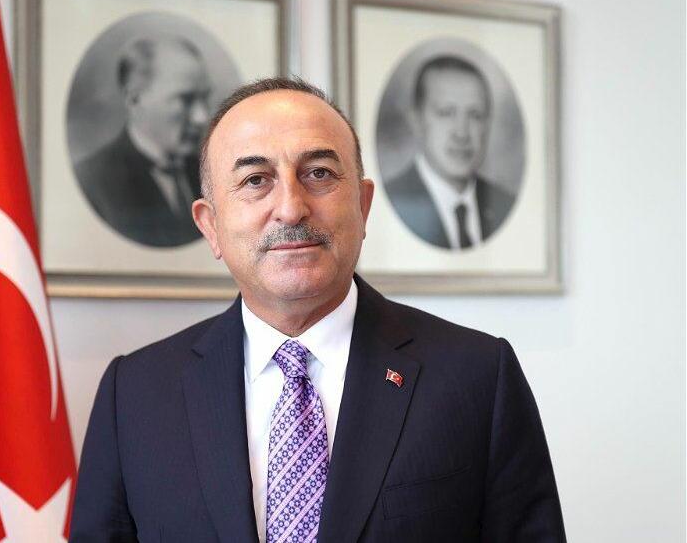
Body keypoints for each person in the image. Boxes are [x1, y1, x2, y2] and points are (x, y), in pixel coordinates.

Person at [70, 78, 565, 542]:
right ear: (210, 226)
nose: (291, 207)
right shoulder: (132, 394)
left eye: (319, 174)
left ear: (363, 206)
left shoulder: (479, 377)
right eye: (255, 179)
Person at [74, 36, 210, 247]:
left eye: (205, 98)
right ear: (134, 99)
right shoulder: (94, 181)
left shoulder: (209, 173)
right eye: (185, 99)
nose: (202, 117)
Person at [385, 56, 516, 250]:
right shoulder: (394, 201)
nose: (462, 133)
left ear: (487, 124)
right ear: (416, 120)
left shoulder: (505, 204)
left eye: (475, 115)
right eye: (446, 113)